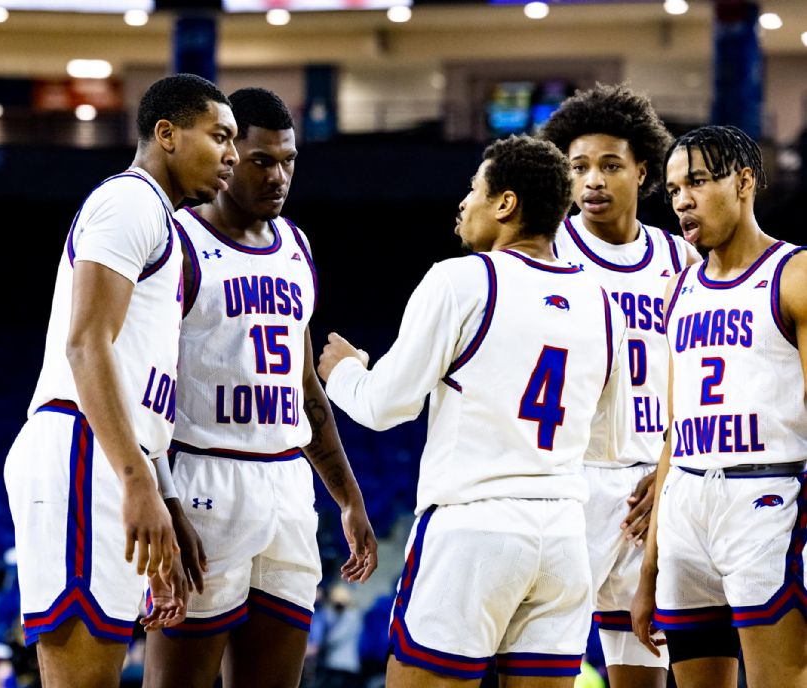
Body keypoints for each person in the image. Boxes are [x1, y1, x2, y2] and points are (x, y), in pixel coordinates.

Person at [318, 134, 631, 688]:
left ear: (505, 204)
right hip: (563, 534)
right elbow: (609, 436)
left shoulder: (461, 279)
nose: (463, 203)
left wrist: (343, 370)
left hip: (474, 528)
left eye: (473, 190)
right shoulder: (604, 303)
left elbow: (385, 405)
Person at [3, 74, 237, 688]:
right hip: (86, 452)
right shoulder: (128, 201)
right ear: (166, 135)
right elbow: (86, 344)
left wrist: (160, 491)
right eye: (219, 137)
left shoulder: (161, 219)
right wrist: (135, 481)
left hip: (115, 455)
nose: (232, 156)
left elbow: (137, 382)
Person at [143, 87, 378, 688]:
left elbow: (306, 389)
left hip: (287, 486)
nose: (279, 176)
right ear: (226, 156)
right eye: (261, 161)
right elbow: (142, 391)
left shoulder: (296, 247)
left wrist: (347, 499)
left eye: (289, 161)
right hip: (202, 479)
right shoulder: (176, 242)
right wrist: (162, 499)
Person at [632, 125, 807, 688]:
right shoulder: (679, 290)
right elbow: (673, 432)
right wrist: (649, 568)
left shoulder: (794, 276)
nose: (682, 199)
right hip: (685, 503)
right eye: (674, 188)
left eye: (698, 183)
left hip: (766, 499)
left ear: (745, 182)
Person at [540, 83, 700, 688]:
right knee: (540, 660)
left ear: (644, 171)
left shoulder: (680, 260)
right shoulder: (549, 252)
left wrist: (668, 472)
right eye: (578, 167)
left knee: (643, 670)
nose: (593, 181)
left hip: (651, 487)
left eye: (610, 166)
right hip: (568, 482)